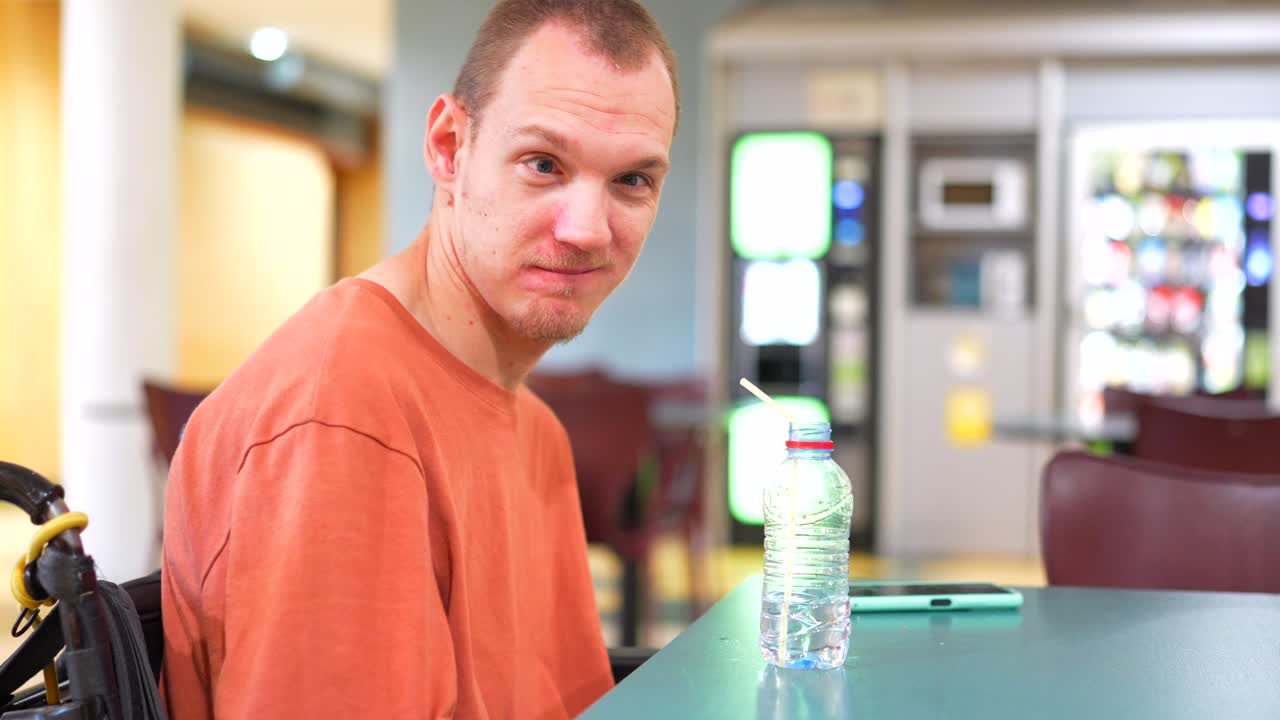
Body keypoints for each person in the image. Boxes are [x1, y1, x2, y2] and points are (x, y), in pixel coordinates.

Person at [159, 1, 679, 717]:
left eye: (632, 181)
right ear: (447, 147)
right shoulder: (343, 417)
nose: (588, 229)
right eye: (543, 164)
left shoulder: (538, 434)